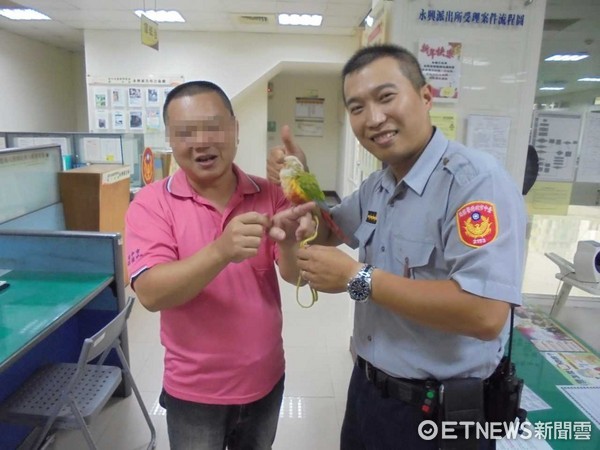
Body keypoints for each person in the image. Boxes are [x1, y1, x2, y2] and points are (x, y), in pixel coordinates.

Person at [268, 44, 527, 449]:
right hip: (369, 392)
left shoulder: (475, 183)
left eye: (386, 97)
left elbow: (485, 313)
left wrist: (358, 278)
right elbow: (330, 229)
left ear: (426, 98)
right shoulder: (379, 184)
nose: (373, 118)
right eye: (356, 108)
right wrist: (302, 187)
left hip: (440, 413)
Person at [125, 80, 315, 450]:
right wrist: (220, 251)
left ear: (235, 130)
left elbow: (295, 276)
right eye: (185, 132)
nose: (201, 141)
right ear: (170, 139)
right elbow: (150, 293)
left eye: (213, 126)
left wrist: (291, 237)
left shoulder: (269, 193)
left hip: (266, 379)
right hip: (194, 392)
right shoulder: (151, 204)